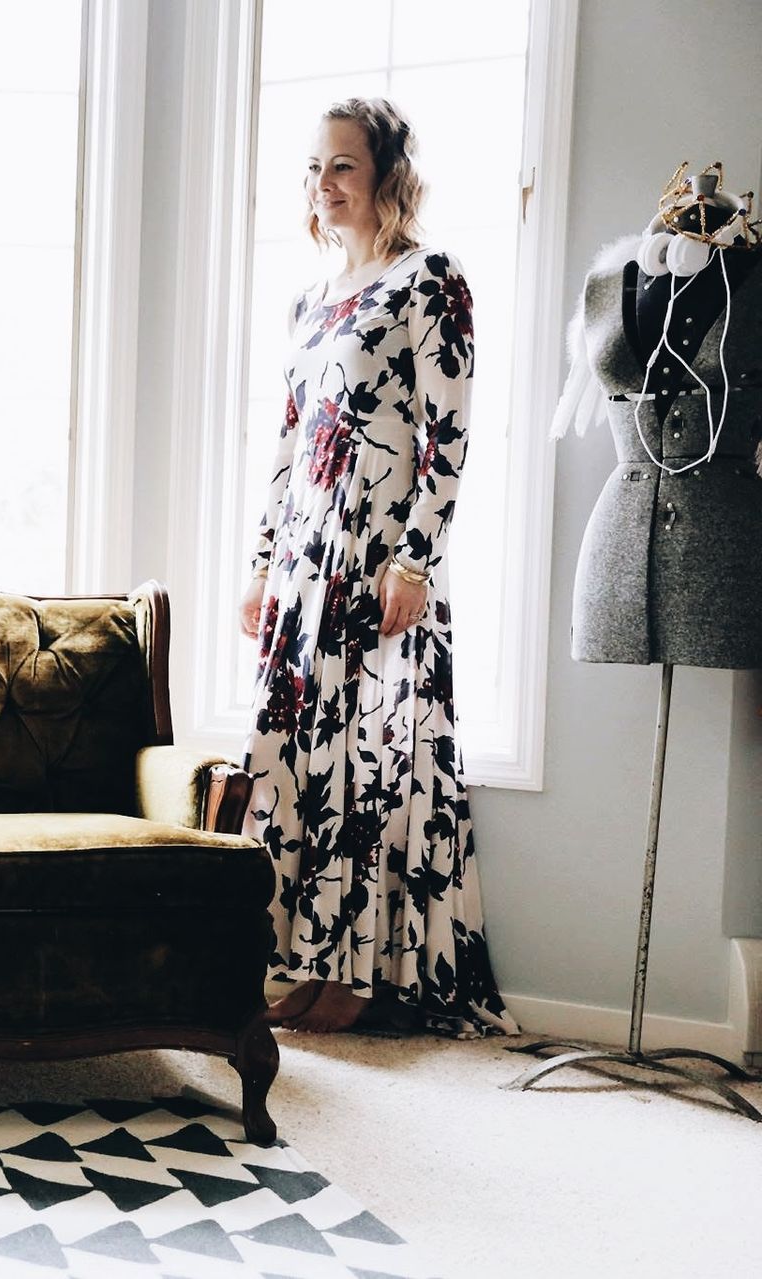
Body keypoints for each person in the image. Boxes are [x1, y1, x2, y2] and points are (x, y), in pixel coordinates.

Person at [238, 98, 515, 1038]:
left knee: (368, 773)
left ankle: (357, 975)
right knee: (298, 769)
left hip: (377, 569)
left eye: (343, 166)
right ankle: (303, 961)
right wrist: (261, 565)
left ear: (388, 175)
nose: (323, 184)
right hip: (305, 573)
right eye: (315, 167)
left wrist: (416, 564)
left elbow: (448, 436)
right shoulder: (308, 301)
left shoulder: (432, 281)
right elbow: (288, 444)